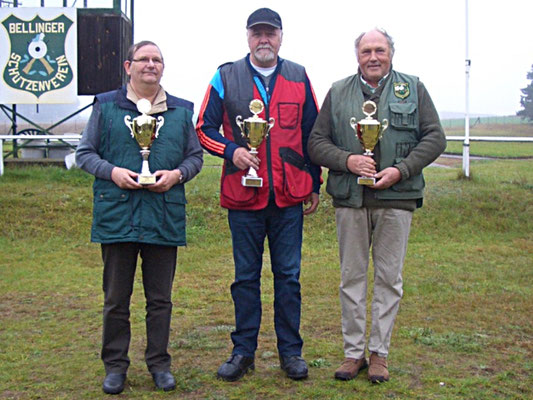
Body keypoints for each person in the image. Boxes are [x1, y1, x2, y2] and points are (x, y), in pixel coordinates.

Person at [308, 28, 446, 383]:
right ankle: (353, 353)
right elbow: (316, 143)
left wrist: (402, 170)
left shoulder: (413, 88)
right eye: (367, 50)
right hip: (350, 200)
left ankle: (379, 353)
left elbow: (435, 137)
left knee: (388, 279)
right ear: (357, 55)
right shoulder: (338, 92)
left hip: (396, 200)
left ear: (391, 54)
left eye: (380, 50)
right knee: (351, 278)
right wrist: (347, 160)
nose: (373, 57)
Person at [196, 8, 321, 382]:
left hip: (288, 197)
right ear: (247, 37)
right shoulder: (225, 76)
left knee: (289, 277)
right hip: (243, 197)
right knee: (245, 278)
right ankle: (243, 351)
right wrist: (231, 150)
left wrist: (314, 183)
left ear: (281, 36)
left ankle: (291, 353)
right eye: (257, 33)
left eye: (270, 33)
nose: (263, 39)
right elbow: (203, 128)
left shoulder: (299, 76)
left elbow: (313, 134)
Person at [76, 40, 203, 394]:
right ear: (128, 66)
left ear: (163, 67)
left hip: (163, 214)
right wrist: (112, 171)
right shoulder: (106, 107)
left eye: (157, 60)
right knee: (116, 298)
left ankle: (159, 364)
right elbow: (85, 153)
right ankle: (115, 366)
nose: (151, 65)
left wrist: (177, 175)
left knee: (160, 299)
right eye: (144, 59)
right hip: (117, 213)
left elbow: (195, 158)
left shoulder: (180, 111)